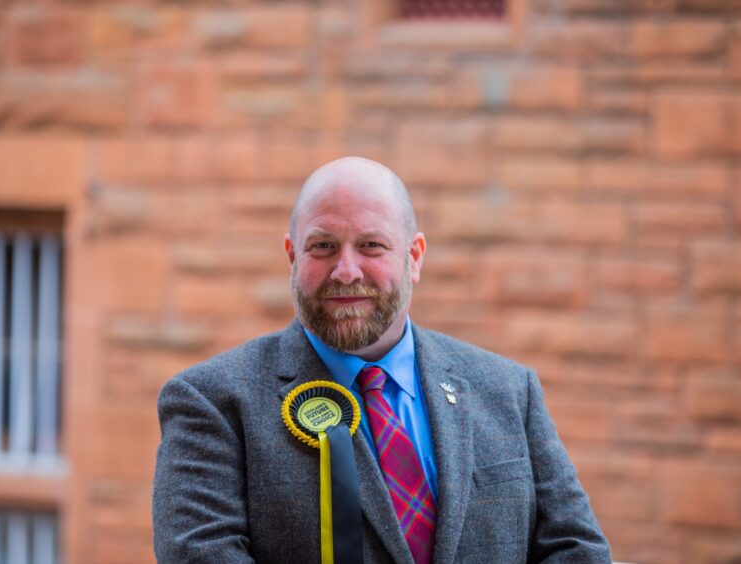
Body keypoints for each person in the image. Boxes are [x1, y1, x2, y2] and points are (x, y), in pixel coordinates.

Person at [152, 157, 612, 563]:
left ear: (414, 257)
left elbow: (576, 551)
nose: (346, 270)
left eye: (371, 245)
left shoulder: (510, 391)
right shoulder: (211, 402)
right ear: (292, 257)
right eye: (323, 246)